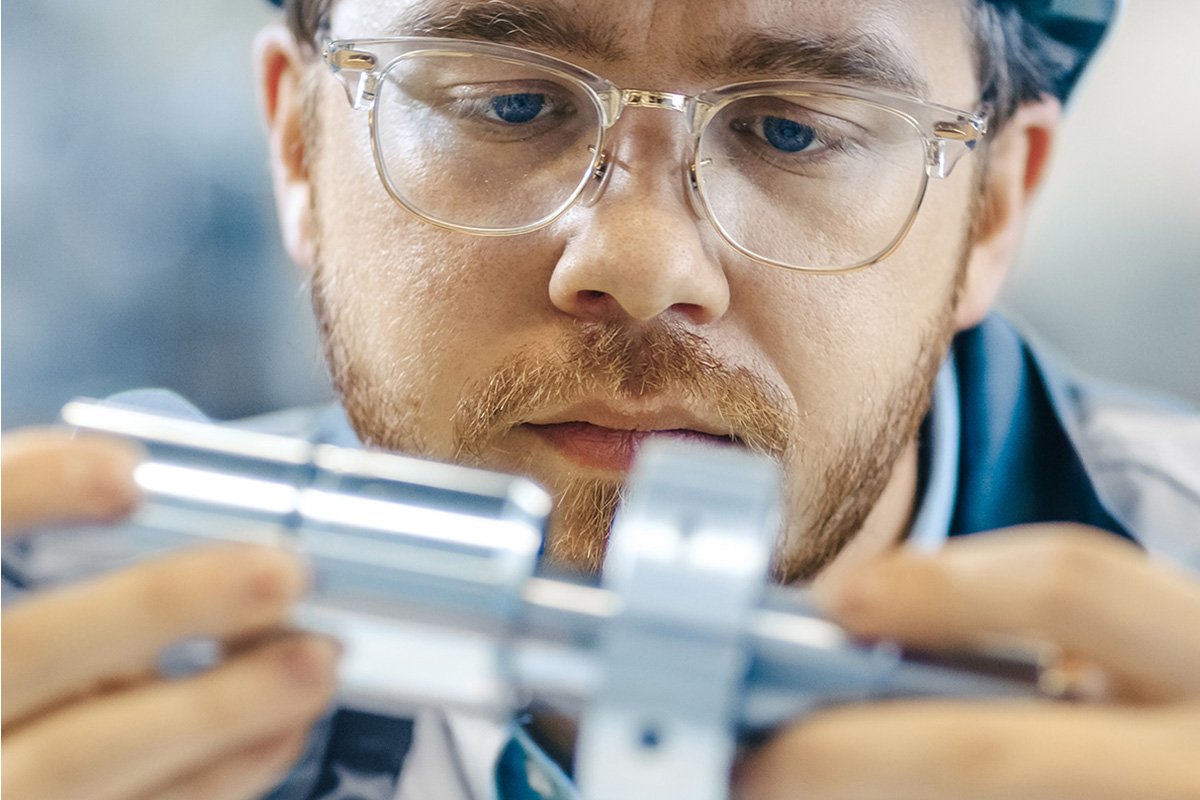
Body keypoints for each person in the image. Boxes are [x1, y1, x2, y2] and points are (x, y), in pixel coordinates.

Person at [3, 0, 1199, 798]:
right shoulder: (54, 648)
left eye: (792, 129)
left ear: (993, 211)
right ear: (299, 149)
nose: (642, 262)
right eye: (509, 105)